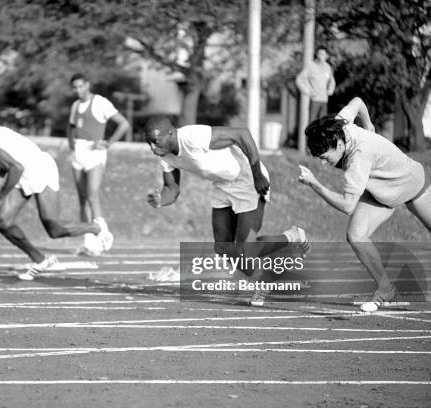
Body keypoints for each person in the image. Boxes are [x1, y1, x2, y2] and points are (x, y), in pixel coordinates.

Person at [144, 116, 309, 305]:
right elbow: (172, 190)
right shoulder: (165, 157)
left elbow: (242, 134)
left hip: (247, 178)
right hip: (222, 185)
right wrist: (160, 200)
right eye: (149, 143)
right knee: (223, 247)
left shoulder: (193, 137)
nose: (152, 148)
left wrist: (257, 174)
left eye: (155, 142)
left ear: (170, 133)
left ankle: (293, 237)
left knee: (245, 251)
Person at [299, 97, 431, 312]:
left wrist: (315, 184)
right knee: (356, 235)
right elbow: (358, 102)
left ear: (340, 144)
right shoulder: (339, 125)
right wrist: (368, 124)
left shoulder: (358, 157)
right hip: (383, 192)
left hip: (411, 183)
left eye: (324, 157)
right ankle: (386, 289)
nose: (323, 163)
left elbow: (347, 206)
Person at [0, 121, 114, 280]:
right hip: (25, 174)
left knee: (55, 229)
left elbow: (15, 167)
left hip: (40, 170)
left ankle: (96, 227)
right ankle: (41, 261)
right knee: (2, 221)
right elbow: (11, 158)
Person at [68, 73, 129, 256]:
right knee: (82, 199)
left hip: (95, 153)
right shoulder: (75, 105)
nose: (79, 90)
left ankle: (104, 234)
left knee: (93, 195)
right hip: (78, 153)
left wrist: (108, 144)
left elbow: (124, 124)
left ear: (87, 84)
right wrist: (72, 148)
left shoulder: (100, 102)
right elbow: (71, 127)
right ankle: (90, 244)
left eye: (81, 86)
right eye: (75, 87)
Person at [296, 46, 336, 123]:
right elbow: (299, 79)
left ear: (326, 56)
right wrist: (307, 91)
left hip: (324, 100)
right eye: (319, 54)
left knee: (323, 123)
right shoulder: (311, 66)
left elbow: (332, 81)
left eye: (323, 54)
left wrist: (330, 90)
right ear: (316, 55)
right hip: (314, 100)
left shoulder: (328, 67)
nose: (321, 56)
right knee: (312, 123)